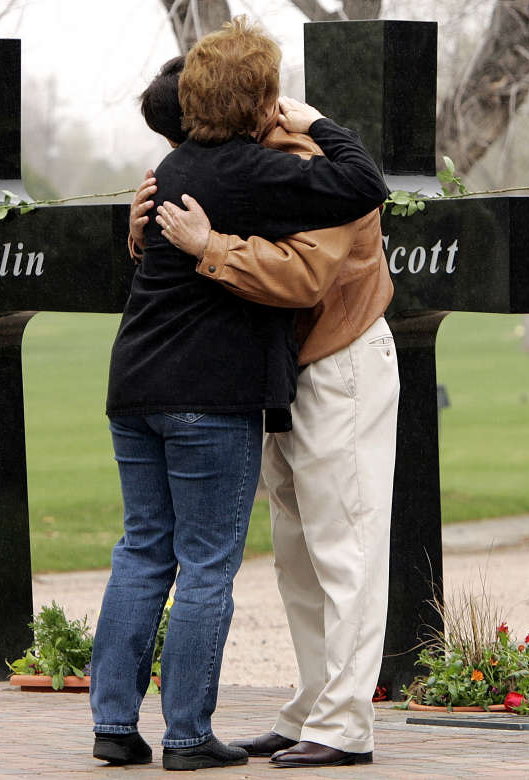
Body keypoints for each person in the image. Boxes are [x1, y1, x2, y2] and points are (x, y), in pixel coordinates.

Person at [90, 17, 389, 772]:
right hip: (245, 377)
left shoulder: (285, 165)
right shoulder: (222, 166)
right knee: (288, 551)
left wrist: (204, 244)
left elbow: (306, 274)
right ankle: (300, 709)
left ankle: (343, 722)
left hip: (333, 361)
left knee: (340, 545)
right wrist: (146, 230)